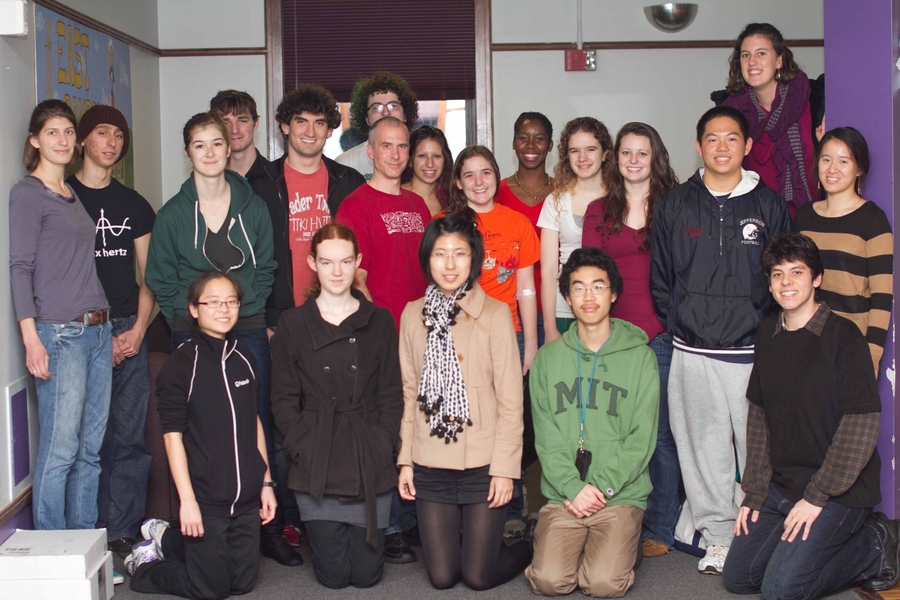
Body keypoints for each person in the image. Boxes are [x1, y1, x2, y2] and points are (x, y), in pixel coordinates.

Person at [650, 106, 791, 574]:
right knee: (703, 451)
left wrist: (767, 332)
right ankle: (716, 537)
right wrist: (681, 325)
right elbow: (662, 278)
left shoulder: (768, 204)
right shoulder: (674, 203)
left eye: (732, 138)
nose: (722, 147)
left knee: (759, 453)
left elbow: (783, 276)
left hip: (753, 352)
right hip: (693, 351)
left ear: (747, 146)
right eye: (713, 139)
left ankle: (760, 535)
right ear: (699, 146)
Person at [144, 113, 289, 566]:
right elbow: (160, 278)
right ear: (187, 153)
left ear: (230, 150)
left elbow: (266, 265)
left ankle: (265, 523)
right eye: (199, 145)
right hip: (192, 329)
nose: (209, 153)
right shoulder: (171, 214)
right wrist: (189, 320)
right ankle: (201, 520)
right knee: (203, 428)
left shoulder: (254, 206)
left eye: (217, 144)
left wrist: (245, 312)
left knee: (255, 418)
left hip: (246, 325)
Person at [722, 232, 900, 598]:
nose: (786, 282)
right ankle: (797, 552)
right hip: (783, 486)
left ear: (816, 278)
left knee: (781, 590)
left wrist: (818, 495)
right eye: (777, 274)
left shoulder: (844, 337)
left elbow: (862, 425)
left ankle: (876, 543)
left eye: (797, 272)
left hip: (839, 491)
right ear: (770, 284)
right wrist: (755, 492)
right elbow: (758, 417)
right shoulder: (767, 332)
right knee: (739, 578)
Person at [246, 84, 365, 559]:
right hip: (281, 321)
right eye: (301, 122)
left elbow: (362, 253)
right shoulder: (261, 183)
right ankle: (284, 524)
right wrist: (270, 316)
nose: (311, 131)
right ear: (283, 126)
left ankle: (332, 518)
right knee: (281, 420)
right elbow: (252, 257)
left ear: (330, 129)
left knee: (331, 417)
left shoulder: (347, 181)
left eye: (321, 122)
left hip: (335, 319)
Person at [397, 214, 533, 590]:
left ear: (474, 259)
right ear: (428, 259)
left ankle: (530, 542)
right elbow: (410, 394)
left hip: (482, 463)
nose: (451, 263)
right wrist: (405, 460)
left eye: (460, 253)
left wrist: (506, 469)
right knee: (442, 577)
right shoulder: (412, 315)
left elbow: (510, 400)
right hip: (431, 460)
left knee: (477, 576)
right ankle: (471, 541)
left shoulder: (494, 313)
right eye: (441, 254)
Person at [126, 272, 277, 599]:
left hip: (247, 496)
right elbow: (172, 437)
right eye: (213, 302)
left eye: (231, 301)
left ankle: (169, 538)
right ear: (194, 309)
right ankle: (147, 562)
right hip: (206, 498)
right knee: (211, 588)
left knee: (241, 583)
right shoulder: (182, 363)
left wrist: (265, 483)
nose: (224, 309)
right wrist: (188, 502)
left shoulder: (246, 359)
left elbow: (254, 423)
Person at [271, 223, 402, 589]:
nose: (338, 272)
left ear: (358, 262)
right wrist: (302, 446)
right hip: (318, 458)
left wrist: (383, 441)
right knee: (333, 578)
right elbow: (282, 398)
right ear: (313, 263)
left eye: (345, 262)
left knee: (365, 577)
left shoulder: (380, 321)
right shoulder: (294, 323)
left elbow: (392, 392)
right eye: (328, 263)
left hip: (367, 454)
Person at [526, 247, 659, 598]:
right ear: (567, 297)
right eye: (579, 287)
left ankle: (621, 545)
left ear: (613, 293)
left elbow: (641, 438)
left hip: (619, 495)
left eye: (598, 286)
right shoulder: (547, 359)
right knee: (549, 582)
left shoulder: (641, 357)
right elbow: (546, 436)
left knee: (602, 584)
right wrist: (573, 488)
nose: (589, 296)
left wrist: (599, 488)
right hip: (564, 495)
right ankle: (576, 544)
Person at [10, 99, 112, 531]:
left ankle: (83, 548)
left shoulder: (70, 193)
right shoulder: (27, 194)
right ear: (35, 140)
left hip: (98, 330)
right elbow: (20, 268)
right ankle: (54, 549)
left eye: (68, 132)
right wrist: (31, 339)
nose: (63, 140)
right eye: (53, 132)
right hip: (61, 334)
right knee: (61, 450)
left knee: (90, 450)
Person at [582, 122, 680, 558]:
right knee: (613, 431)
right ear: (614, 157)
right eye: (626, 152)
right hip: (612, 336)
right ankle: (617, 513)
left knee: (658, 435)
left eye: (642, 152)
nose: (634, 160)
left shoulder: (675, 206)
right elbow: (589, 273)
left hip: (660, 335)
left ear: (654, 157)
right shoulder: (598, 209)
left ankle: (660, 523)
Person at [335, 115, 430, 563]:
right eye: (386, 146)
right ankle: (389, 525)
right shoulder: (356, 205)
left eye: (401, 147)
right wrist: (383, 332)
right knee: (387, 430)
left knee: (418, 423)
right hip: (383, 336)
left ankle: (412, 520)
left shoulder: (418, 206)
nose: (395, 155)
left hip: (425, 333)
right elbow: (358, 277)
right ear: (370, 151)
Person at [66, 105, 155, 557]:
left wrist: (138, 331)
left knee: (129, 437)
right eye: (102, 132)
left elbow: (151, 277)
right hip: (79, 330)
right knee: (86, 438)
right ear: (83, 140)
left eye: (119, 135)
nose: (112, 142)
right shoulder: (61, 198)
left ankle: (122, 529)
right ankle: (88, 529)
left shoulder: (133, 204)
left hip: (126, 327)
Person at [793, 127, 893, 377]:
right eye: (826, 159)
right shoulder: (804, 217)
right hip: (804, 343)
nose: (832, 169)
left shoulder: (873, 219)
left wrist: (871, 356)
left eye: (843, 161)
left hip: (850, 346)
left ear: (859, 169)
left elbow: (882, 297)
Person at [446, 146, 540, 374]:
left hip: (507, 333)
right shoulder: (443, 225)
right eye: (469, 175)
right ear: (458, 182)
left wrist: (531, 345)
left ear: (496, 176)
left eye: (486, 173)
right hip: (457, 334)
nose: (479, 182)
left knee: (507, 408)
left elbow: (526, 289)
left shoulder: (518, 223)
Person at [722, 23, 817, 215]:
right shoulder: (730, 113)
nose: (752, 62)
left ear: (779, 60)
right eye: (745, 55)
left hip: (809, 220)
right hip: (755, 222)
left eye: (761, 53)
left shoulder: (811, 101)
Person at [540, 117, 612, 342]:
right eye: (574, 151)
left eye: (590, 149)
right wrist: (550, 327)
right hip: (565, 310)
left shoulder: (621, 198)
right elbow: (549, 271)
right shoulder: (555, 201)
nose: (582, 158)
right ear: (566, 156)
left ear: (605, 153)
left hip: (609, 309)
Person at [495, 111, 555, 348]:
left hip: (558, 308)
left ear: (550, 146)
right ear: (513, 143)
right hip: (509, 309)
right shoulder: (494, 193)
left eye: (539, 138)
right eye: (523, 137)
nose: (531, 145)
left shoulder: (563, 192)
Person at [336, 71, 419, 180]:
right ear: (366, 118)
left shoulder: (422, 161)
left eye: (393, 106)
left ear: (405, 115)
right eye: (376, 107)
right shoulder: (345, 164)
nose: (385, 112)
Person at [209, 89, 263, 178]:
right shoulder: (206, 181)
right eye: (226, 122)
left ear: (256, 123)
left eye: (242, 121)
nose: (234, 130)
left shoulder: (276, 178)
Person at [401, 125, 453, 216]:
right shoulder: (395, 196)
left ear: (445, 161)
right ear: (410, 161)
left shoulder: (452, 201)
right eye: (422, 156)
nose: (430, 164)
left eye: (436, 156)